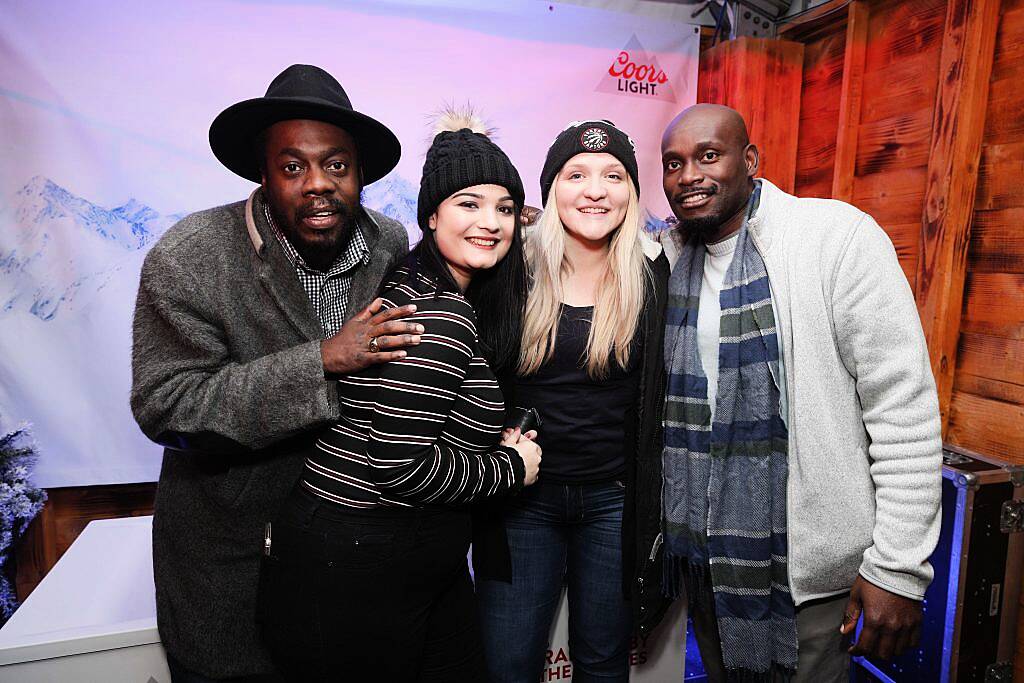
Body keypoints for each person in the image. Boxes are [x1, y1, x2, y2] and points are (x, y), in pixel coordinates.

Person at [130, 64, 421, 681]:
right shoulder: (190, 256)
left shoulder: (391, 243)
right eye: (293, 167)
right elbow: (165, 403)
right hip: (231, 570)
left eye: (336, 165)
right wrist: (321, 361)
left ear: (360, 172)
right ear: (263, 174)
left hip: (356, 560)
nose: (318, 184)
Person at [651, 103, 942, 681]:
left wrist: (899, 569)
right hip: (707, 570)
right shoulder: (671, 256)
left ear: (750, 160)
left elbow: (902, 410)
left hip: (812, 583)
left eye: (709, 156)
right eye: (673, 163)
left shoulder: (835, 238)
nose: (689, 176)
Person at [256, 110, 543, 682]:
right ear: (432, 215)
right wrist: (511, 467)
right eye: (468, 204)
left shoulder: (428, 288)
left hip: (406, 556)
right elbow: (397, 467)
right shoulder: (435, 312)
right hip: (356, 559)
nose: (490, 222)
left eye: (504, 208)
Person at [474, 120, 671, 682]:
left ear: (632, 192)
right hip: (520, 501)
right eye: (576, 174)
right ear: (550, 188)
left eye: (613, 175)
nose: (594, 189)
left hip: (614, 503)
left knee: (603, 663)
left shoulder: (654, 275)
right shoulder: (509, 268)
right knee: (507, 664)